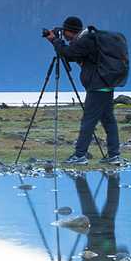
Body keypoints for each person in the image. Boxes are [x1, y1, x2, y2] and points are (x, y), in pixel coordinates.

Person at [46, 16, 119, 162]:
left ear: (70, 31)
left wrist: (55, 41)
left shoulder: (85, 40)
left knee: (88, 121)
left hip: (97, 87)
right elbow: (74, 55)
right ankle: (114, 155)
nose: (65, 36)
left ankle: (80, 155)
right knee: (108, 120)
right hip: (106, 84)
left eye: (65, 32)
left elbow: (69, 53)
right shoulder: (90, 38)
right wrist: (59, 44)